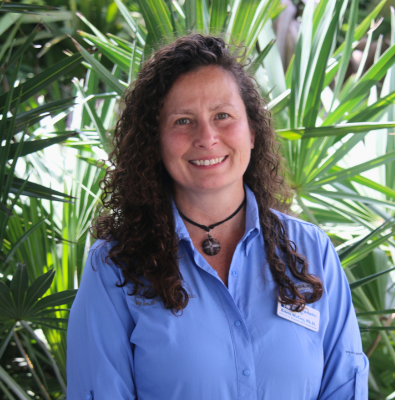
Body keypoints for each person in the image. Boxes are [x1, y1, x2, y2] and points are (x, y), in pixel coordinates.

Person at [66, 34, 369, 400]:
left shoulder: (311, 251)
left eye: (223, 116)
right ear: (155, 142)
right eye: (182, 121)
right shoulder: (114, 267)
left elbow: (344, 388)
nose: (207, 137)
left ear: (252, 131)